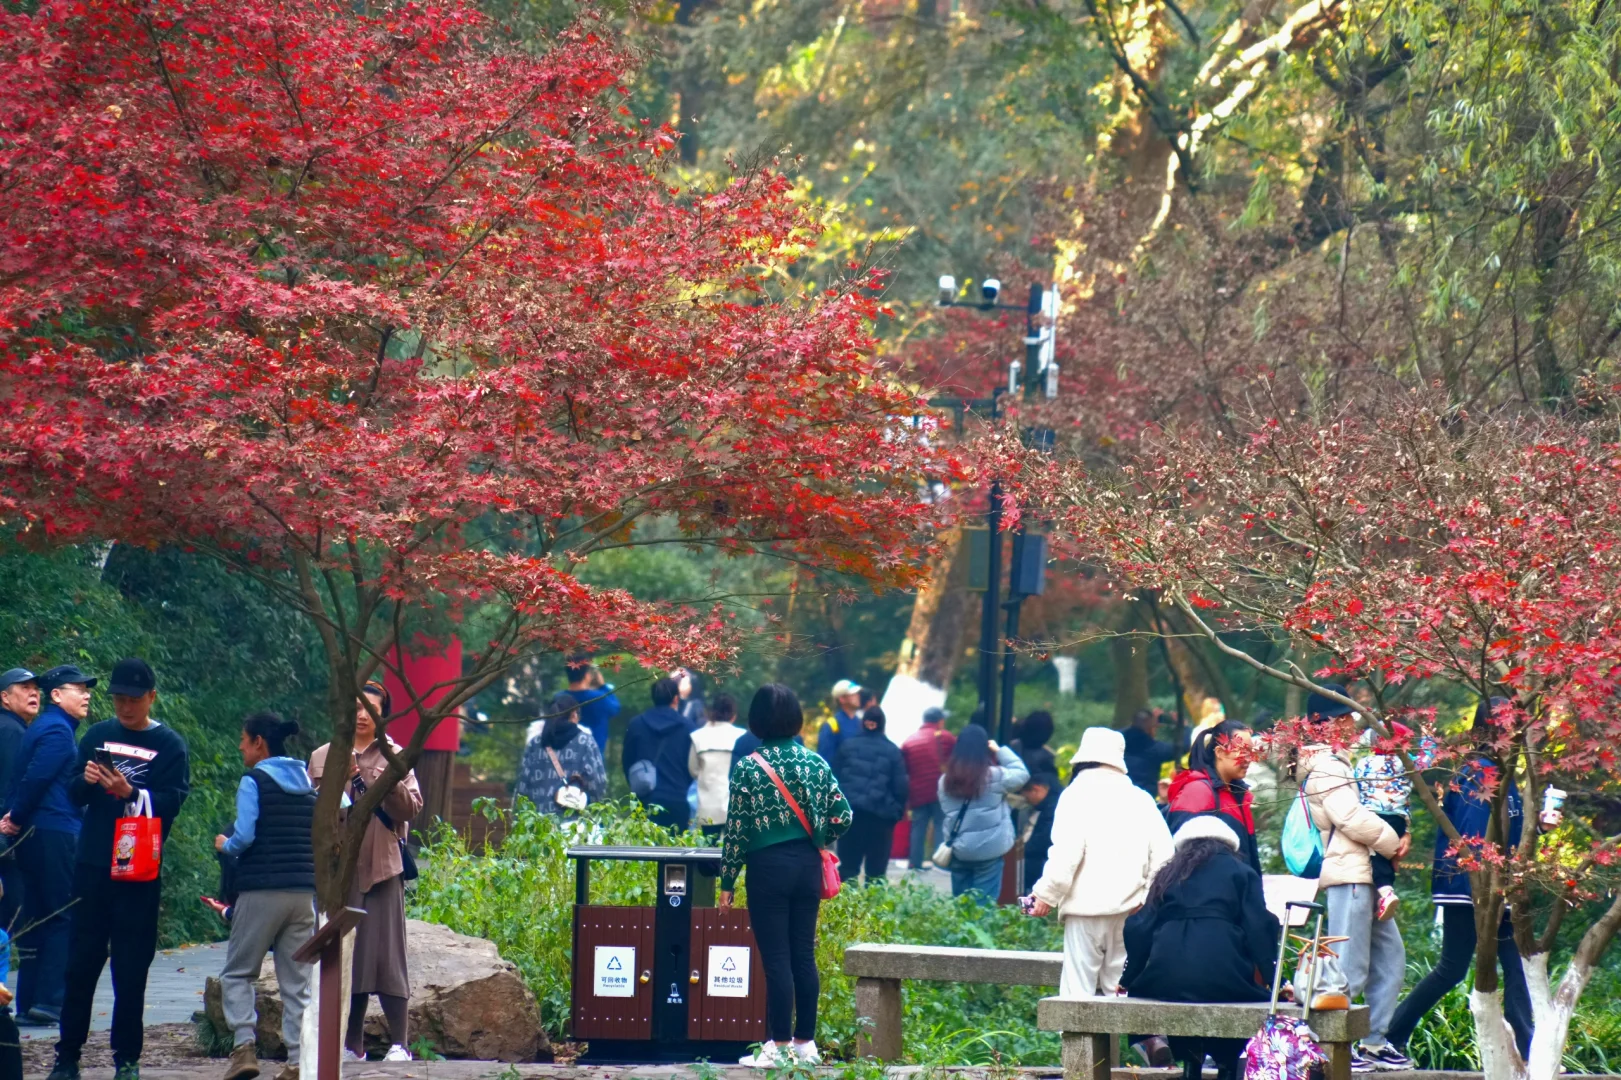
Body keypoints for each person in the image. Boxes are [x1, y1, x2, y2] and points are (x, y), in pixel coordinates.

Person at [1385, 698, 1557, 1065]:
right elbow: (1474, 838)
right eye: (1510, 724)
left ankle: (1531, 1055)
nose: (1517, 730)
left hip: (1497, 889)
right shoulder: (1478, 773)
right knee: (1454, 968)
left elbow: (1505, 836)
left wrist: (1538, 828)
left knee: (1515, 969)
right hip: (1472, 890)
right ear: (1495, 727)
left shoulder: (1501, 772)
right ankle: (1391, 1036)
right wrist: (1489, 894)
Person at [52, 658, 191, 1080]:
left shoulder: (169, 745)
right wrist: (89, 780)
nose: (125, 707)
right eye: (118, 699)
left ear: (151, 697)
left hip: (138, 870)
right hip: (92, 863)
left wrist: (131, 792)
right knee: (80, 964)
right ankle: (67, 1056)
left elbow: (172, 801)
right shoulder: (98, 734)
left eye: (133, 699)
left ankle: (126, 1059)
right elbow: (72, 793)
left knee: (130, 969)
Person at [718, 685, 851, 1068]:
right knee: (802, 956)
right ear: (796, 718)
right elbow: (844, 814)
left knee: (776, 960)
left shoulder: (748, 766)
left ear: (757, 720)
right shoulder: (815, 763)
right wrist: (821, 839)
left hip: (767, 870)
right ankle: (806, 1045)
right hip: (807, 867)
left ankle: (777, 1047)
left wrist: (727, 883)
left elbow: (738, 832)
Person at [308, 682, 422, 1063]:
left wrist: (368, 779)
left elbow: (410, 809)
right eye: (355, 706)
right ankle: (350, 1044)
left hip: (382, 866)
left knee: (388, 957)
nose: (361, 714)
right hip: (340, 873)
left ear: (381, 715)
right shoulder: (323, 757)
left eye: (369, 708)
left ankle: (399, 1044)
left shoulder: (396, 756)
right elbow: (314, 814)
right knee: (347, 957)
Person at [1297, 685, 1409, 1072]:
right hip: (1349, 874)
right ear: (1326, 724)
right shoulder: (1327, 765)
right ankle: (1336, 1050)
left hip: (1363, 874)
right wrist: (1393, 842)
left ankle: (1374, 1043)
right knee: (1349, 967)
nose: (1351, 726)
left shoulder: (1339, 762)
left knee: (1390, 957)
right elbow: (1350, 818)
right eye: (1343, 718)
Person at [1121, 816, 1281, 1080]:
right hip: (1225, 974)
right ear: (1229, 845)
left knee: (1177, 989)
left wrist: (1130, 977)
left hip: (1166, 978)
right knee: (1238, 994)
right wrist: (1276, 979)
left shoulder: (1168, 874)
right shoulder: (1242, 872)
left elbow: (1139, 926)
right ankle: (1227, 1065)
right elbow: (1259, 927)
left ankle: (1190, 1062)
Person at [1026, 727, 1174, 999]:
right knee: (1119, 994)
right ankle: (1117, 1042)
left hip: (1085, 912)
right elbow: (1165, 855)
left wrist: (1045, 895)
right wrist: (1146, 898)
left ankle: (1075, 1043)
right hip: (1131, 911)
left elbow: (1066, 855)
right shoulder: (1141, 799)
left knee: (1077, 994)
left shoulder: (1074, 795)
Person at [214, 713, 316, 1080]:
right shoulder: (307, 781)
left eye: (244, 739)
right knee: (296, 982)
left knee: (239, 972)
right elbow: (340, 813)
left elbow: (245, 835)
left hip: (261, 889)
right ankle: (295, 1062)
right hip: (304, 893)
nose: (241, 746)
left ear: (259, 742)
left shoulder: (253, 780)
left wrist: (226, 845)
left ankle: (244, 1050)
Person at [3, 665, 86, 1028]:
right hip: (53, 830)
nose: (86, 695)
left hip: (35, 834)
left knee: (37, 917)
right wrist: (16, 815)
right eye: (78, 689)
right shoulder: (56, 730)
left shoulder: (39, 727)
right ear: (58, 695)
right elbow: (37, 776)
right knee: (61, 915)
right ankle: (50, 1002)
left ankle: (28, 1002)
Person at [936, 724, 1029, 899]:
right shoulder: (995, 776)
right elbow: (1022, 774)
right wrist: (1000, 750)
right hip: (989, 851)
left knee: (961, 906)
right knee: (984, 909)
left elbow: (947, 810)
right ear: (984, 749)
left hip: (959, 850)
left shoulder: (945, 781)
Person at [1165, 719, 1261, 874]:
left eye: (1251, 752)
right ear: (1220, 752)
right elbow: (1183, 859)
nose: (1249, 758)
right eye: (1243, 751)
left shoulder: (1237, 794)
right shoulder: (1198, 791)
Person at [833, 706, 907, 884]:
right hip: (880, 819)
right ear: (882, 725)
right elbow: (901, 787)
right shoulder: (892, 751)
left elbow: (834, 779)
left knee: (848, 868)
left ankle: (846, 909)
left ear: (863, 724)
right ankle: (874, 909)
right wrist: (896, 813)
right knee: (876, 874)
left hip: (851, 816)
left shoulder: (847, 747)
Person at [1353, 721, 1417, 921]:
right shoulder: (1407, 762)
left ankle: (1385, 892)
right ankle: (1386, 888)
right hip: (1398, 819)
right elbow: (1426, 761)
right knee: (1386, 855)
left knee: (1375, 856)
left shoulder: (1364, 763)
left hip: (1373, 816)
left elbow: (1356, 784)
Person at [515, 691, 608, 814]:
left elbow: (522, 787)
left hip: (540, 824)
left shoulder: (535, 744)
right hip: (574, 824)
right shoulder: (585, 742)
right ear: (574, 714)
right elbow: (598, 782)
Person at [622, 677, 697, 829]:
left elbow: (627, 761)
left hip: (644, 798)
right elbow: (693, 767)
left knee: (645, 849)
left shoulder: (636, 725)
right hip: (678, 798)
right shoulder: (688, 728)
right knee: (677, 849)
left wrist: (637, 783)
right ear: (676, 699)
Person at [0, 669, 40, 955]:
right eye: (24, 688)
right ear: (4, 697)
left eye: (35, 688)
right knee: (8, 916)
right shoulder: (11, 731)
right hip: (6, 839)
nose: (33, 693)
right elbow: (10, 787)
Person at [1010, 711, 1061, 889]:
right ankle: (1030, 914)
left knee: (1026, 882)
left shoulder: (1014, 749)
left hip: (1030, 859)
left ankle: (1027, 914)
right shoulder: (1046, 760)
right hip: (1038, 862)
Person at [900, 706, 955, 870]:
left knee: (918, 826)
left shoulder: (910, 741)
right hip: (940, 791)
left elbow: (905, 770)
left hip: (917, 793)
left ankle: (915, 862)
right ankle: (939, 863)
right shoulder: (946, 737)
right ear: (940, 721)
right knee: (940, 824)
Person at [688, 693, 744, 838]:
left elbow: (693, 770)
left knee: (707, 851)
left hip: (708, 806)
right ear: (733, 714)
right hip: (735, 805)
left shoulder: (698, 736)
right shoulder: (741, 736)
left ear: (711, 713)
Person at [564, 659, 621, 761]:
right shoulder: (598, 698)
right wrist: (603, 686)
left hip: (565, 755)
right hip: (593, 756)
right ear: (587, 675)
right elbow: (615, 708)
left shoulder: (559, 698)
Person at [1120, 707, 1184, 797]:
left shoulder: (1118, 745)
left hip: (1119, 795)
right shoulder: (1154, 749)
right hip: (1145, 799)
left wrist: (1140, 723)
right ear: (1150, 729)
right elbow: (1183, 747)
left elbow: (1120, 732)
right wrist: (1183, 726)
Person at [816, 679, 862, 766]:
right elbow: (824, 761)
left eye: (857, 693)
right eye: (853, 694)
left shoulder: (861, 723)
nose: (858, 696)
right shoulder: (832, 726)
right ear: (842, 699)